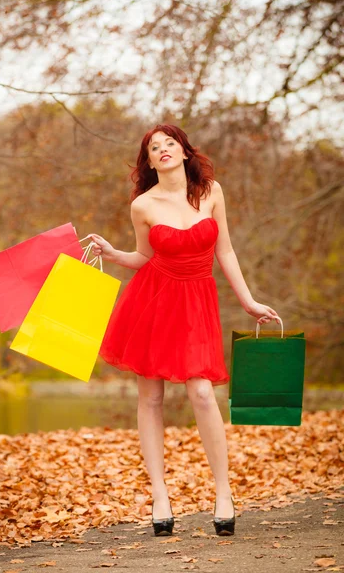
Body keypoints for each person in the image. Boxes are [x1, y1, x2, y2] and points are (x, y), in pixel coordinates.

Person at [87, 124, 280, 537]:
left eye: (169, 143)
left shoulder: (211, 191)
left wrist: (248, 301)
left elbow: (224, 249)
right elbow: (143, 256)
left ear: (184, 151)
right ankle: (160, 497)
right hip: (153, 301)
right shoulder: (143, 205)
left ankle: (224, 493)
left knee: (202, 392)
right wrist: (111, 253)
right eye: (154, 148)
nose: (162, 150)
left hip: (197, 302)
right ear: (150, 160)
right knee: (151, 397)